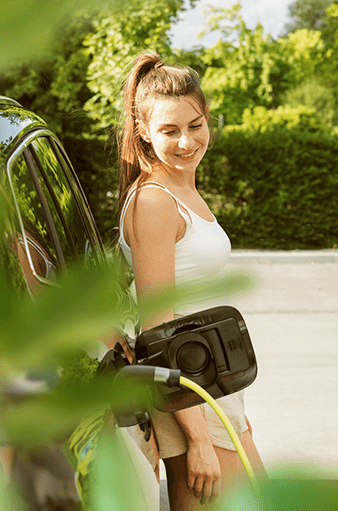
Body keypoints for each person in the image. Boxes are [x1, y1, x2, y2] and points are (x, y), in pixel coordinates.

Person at [116, 50, 263, 510]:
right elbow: (158, 329)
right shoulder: (155, 202)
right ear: (143, 132)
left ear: (208, 121)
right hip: (190, 390)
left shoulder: (182, 186)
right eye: (169, 131)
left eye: (194, 126)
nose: (185, 142)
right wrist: (197, 437)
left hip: (209, 380)